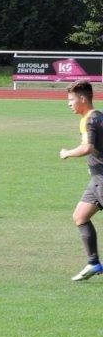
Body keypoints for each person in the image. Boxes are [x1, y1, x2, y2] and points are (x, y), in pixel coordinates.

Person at [60, 81, 103, 281]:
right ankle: (93, 263)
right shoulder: (97, 116)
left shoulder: (90, 120)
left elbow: (88, 147)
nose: (69, 104)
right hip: (96, 179)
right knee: (80, 216)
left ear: (83, 99)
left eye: (71, 100)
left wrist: (67, 153)